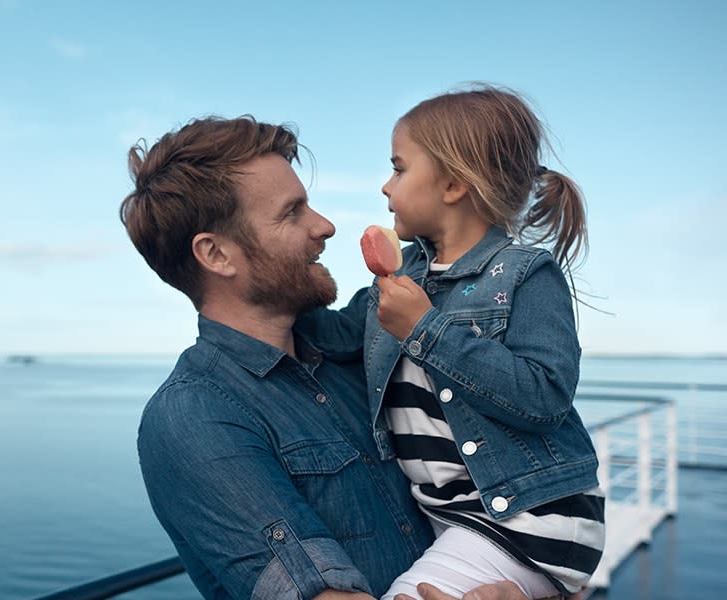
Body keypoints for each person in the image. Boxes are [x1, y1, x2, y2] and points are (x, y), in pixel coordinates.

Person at [122, 115, 540, 600]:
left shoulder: (368, 348)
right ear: (216, 255)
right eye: (292, 212)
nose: (325, 226)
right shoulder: (193, 417)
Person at [304, 85, 604, 600]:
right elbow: (330, 337)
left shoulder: (526, 274)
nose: (384, 186)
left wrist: (425, 330)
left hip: (529, 517)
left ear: (453, 185)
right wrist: (286, 273)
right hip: (455, 517)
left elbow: (545, 397)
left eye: (398, 168)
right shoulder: (403, 278)